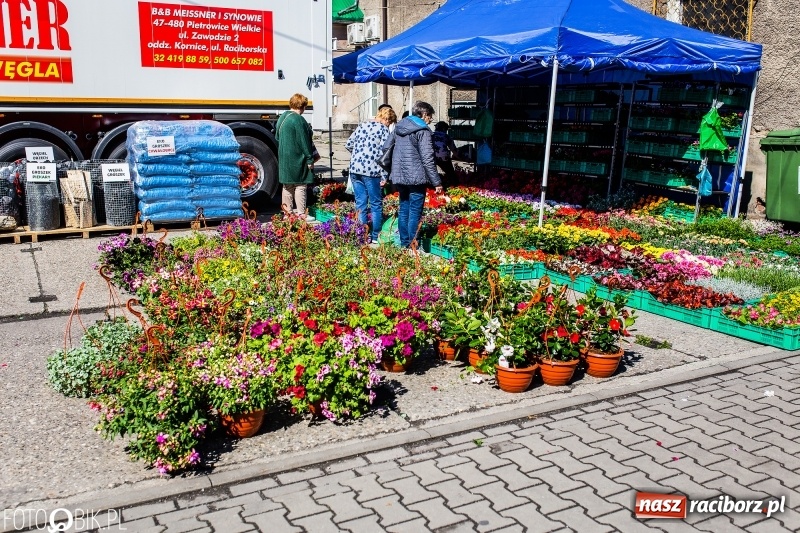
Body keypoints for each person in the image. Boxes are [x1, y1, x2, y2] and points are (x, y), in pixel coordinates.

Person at [386, 101, 442, 248]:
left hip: (399, 174)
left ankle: (404, 242)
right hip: (416, 177)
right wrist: (437, 182)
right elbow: (427, 158)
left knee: (404, 207)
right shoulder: (423, 130)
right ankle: (412, 243)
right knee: (415, 211)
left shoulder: (399, 126)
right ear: (424, 115)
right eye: (430, 117)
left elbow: (386, 147)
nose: (430, 120)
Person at [345, 106, 397, 243]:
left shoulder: (362, 125)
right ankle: (375, 235)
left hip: (355, 169)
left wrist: (359, 155)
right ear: (386, 119)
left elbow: (349, 144)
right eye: (389, 122)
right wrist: (385, 176)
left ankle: (362, 234)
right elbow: (385, 154)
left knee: (360, 202)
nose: (389, 125)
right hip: (372, 171)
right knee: (376, 203)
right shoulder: (383, 129)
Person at [276, 93, 319, 219]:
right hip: (297, 157)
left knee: (287, 185)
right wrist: (310, 159)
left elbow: (277, 137)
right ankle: (301, 213)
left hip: (284, 156)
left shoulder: (282, 117)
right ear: (302, 106)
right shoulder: (298, 120)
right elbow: (304, 141)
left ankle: (287, 213)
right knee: (301, 184)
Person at [432, 121, 459, 187]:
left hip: (432, 156)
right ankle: (453, 186)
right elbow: (453, 150)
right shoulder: (446, 136)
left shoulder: (431, 135)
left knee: (432, 173)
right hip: (443, 157)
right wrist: (460, 157)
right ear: (444, 129)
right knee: (451, 173)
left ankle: (432, 186)